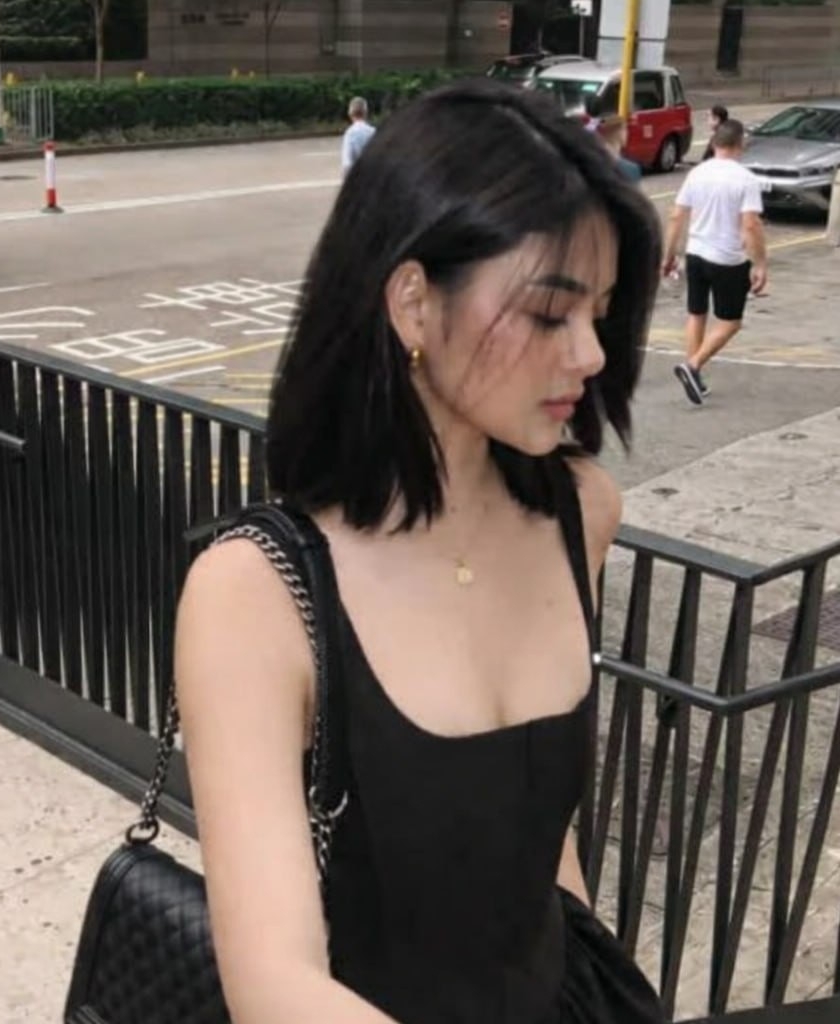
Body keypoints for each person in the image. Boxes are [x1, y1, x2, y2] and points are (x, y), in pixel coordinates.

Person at [175, 80, 665, 1024]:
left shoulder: (583, 512)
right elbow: (274, 984)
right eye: (550, 314)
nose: (592, 355)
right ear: (412, 303)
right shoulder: (254, 593)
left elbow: (541, 836)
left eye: (600, 313)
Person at [662, 118, 768, 405]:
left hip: (696, 254)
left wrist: (669, 255)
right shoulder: (745, 179)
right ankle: (693, 366)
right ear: (740, 143)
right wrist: (760, 264)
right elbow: (751, 225)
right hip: (727, 259)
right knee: (731, 322)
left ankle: (694, 377)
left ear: (714, 142)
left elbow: (676, 216)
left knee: (696, 314)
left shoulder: (697, 173)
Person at [596, 115, 642, 182]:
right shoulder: (631, 168)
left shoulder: (592, 163)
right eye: (626, 128)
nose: (627, 133)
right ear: (620, 132)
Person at [341, 96, 376, 175]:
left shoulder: (350, 134)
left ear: (350, 113)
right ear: (366, 113)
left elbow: (347, 163)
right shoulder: (373, 131)